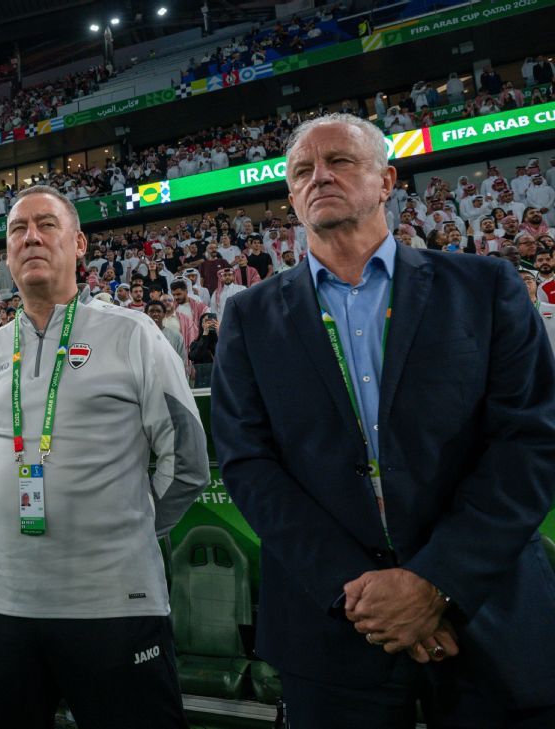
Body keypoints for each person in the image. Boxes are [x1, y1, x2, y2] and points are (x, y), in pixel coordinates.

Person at [211, 113, 555, 727]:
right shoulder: (248, 316)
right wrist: (364, 592)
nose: (319, 177)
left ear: (387, 180)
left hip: (486, 614)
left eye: (339, 161)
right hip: (334, 629)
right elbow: (248, 463)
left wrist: (435, 583)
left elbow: (529, 440)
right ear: (291, 196)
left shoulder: (483, 286)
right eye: (301, 171)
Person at [0, 186, 209, 728]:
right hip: (3, 605)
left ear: (79, 244)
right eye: (17, 229)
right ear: (6, 251)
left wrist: (130, 531)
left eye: (46, 224)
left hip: (113, 602)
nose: (30, 237)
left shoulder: (133, 334)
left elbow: (188, 461)